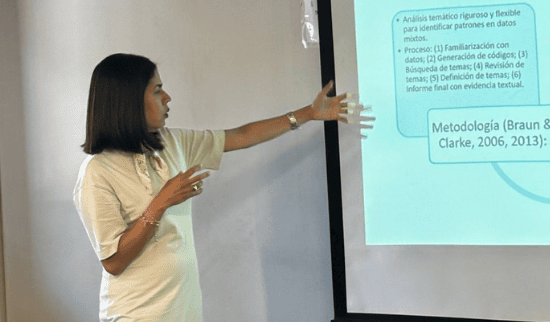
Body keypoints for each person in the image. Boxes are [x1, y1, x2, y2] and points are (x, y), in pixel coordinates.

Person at [73, 53, 369, 322]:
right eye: (157, 90)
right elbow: (114, 261)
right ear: (128, 101)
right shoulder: (97, 172)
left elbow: (240, 136)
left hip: (183, 311)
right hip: (135, 315)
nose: (168, 98)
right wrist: (161, 202)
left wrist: (308, 113)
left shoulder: (171, 142)